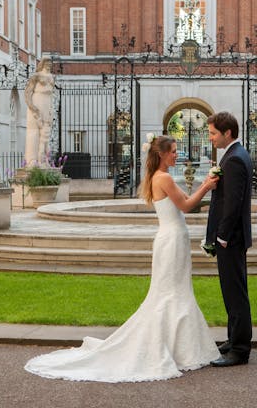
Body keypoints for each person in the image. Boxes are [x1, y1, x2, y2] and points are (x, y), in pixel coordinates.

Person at [24, 134, 220, 382]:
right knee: (172, 292)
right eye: (172, 151)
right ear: (160, 154)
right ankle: (178, 347)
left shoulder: (155, 177)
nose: (176, 154)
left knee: (174, 291)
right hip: (171, 240)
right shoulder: (165, 178)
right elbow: (186, 206)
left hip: (171, 239)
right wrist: (207, 186)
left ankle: (180, 345)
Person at [206, 111, 253, 367]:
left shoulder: (234, 159)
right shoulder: (235, 154)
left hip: (231, 239)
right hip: (233, 239)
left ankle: (240, 349)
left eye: (213, 133)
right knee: (232, 291)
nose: (211, 137)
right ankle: (233, 338)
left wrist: (221, 236)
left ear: (227, 133)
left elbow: (232, 204)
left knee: (235, 293)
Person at [24, 56, 55, 167]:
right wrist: (33, 107)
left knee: (45, 133)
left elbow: (51, 95)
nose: (49, 64)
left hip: (47, 103)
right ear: (42, 63)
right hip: (38, 101)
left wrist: (51, 110)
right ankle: (32, 160)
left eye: (50, 62)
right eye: (47, 62)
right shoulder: (36, 76)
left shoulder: (52, 77)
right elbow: (27, 93)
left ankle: (43, 160)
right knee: (34, 131)